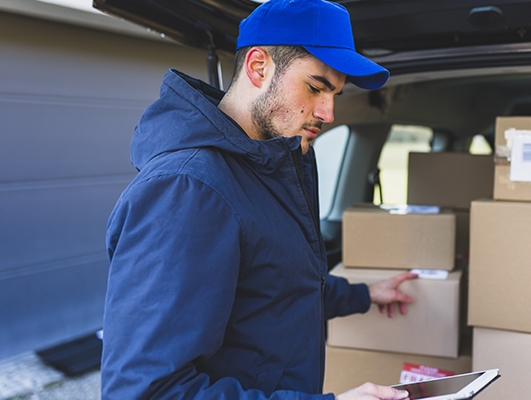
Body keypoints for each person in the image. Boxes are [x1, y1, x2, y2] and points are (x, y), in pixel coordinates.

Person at [100, 0, 419, 398]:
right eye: (316, 87)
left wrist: (364, 294)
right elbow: (147, 391)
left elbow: (278, 287)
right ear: (258, 67)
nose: (329, 111)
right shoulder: (188, 190)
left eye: (335, 93)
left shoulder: (272, 167)